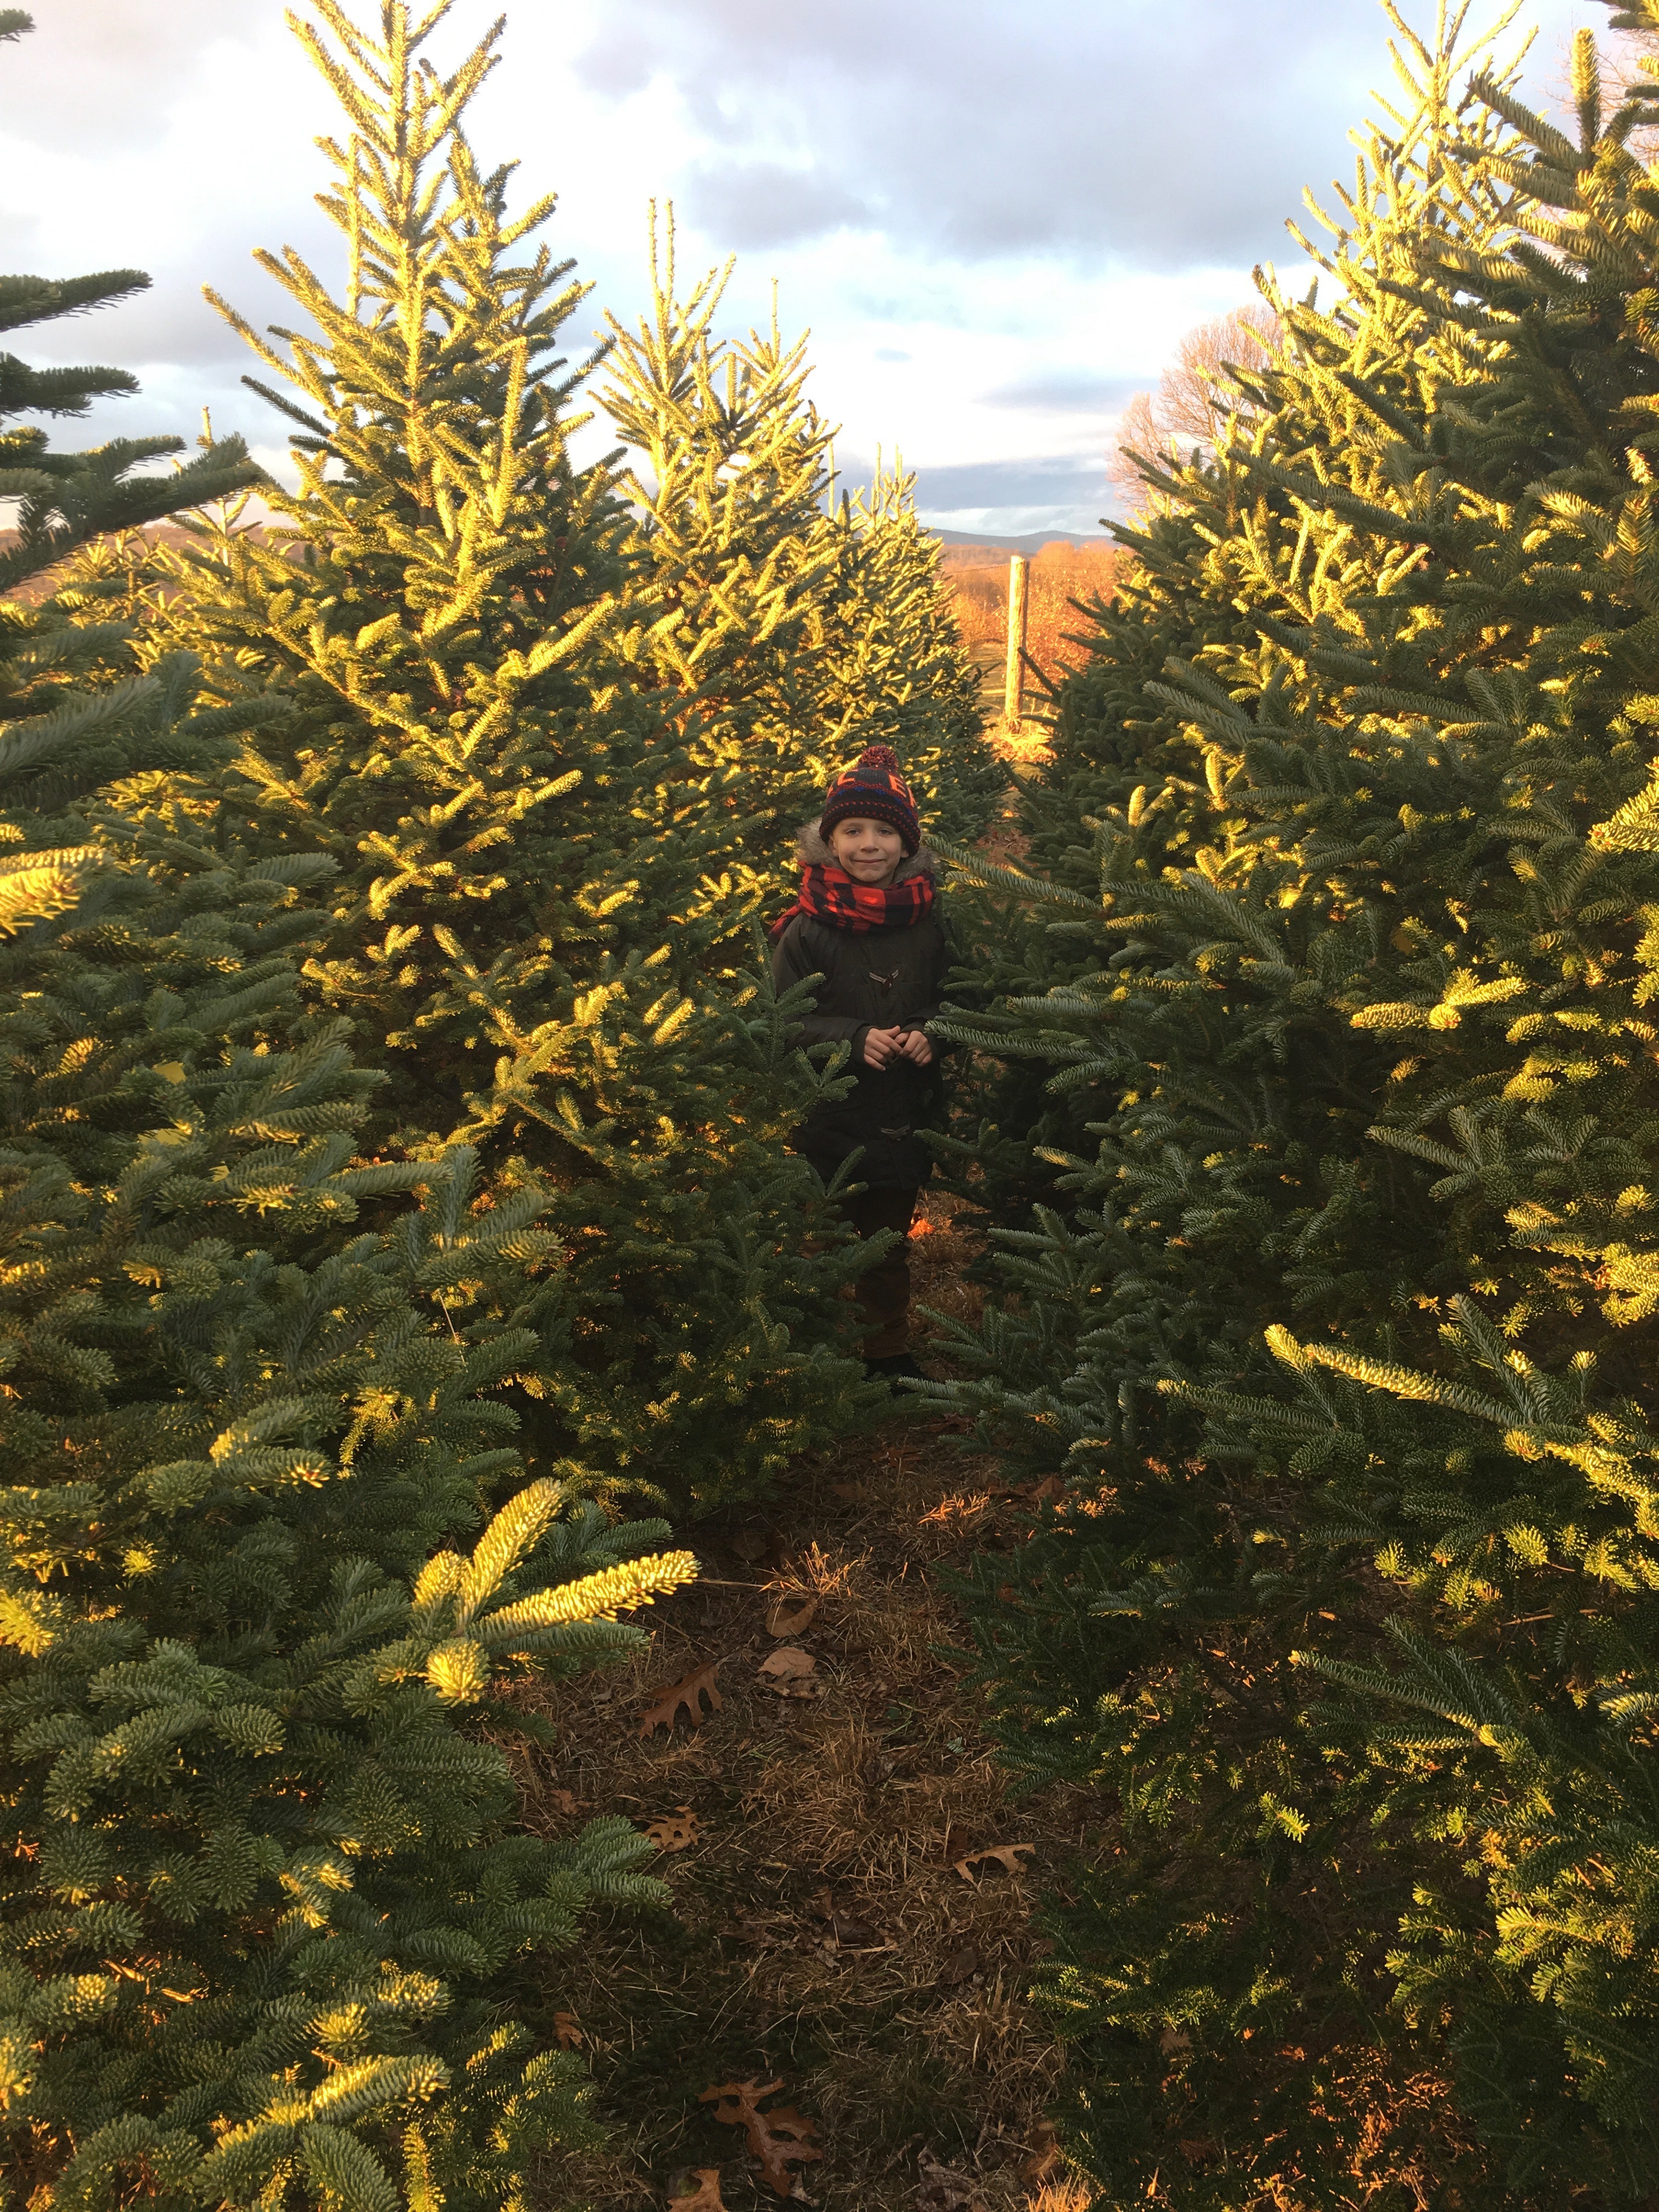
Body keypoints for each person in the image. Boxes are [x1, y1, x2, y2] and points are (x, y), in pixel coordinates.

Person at [770, 743, 951, 1381]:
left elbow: (963, 999)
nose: (868, 844)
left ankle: (887, 1355)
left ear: (906, 844)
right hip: (828, 1116)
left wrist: (934, 1032)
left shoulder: (930, 921)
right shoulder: (807, 928)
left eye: (883, 831)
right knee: (821, 1239)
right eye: (852, 831)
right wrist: (851, 1037)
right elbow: (782, 1018)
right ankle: (808, 1359)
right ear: (829, 841)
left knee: (888, 1243)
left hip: (904, 1111)